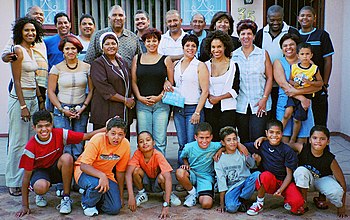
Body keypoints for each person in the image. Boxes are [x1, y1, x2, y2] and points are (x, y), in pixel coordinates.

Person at [15, 110, 104, 217]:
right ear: (34, 127)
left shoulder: (60, 134)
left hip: (56, 169)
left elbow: (86, 136)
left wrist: (107, 129)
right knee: (41, 187)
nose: (44, 129)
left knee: (67, 158)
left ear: (52, 125)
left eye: (47, 125)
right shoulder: (30, 147)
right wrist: (25, 205)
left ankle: (66, 198)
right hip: (40, 172)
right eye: (40, 126)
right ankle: (39, 194)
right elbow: (25, 178)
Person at [6, 17, 44, 197]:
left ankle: (25, 181)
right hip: (19, 100)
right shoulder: (18, 51)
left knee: (30, 142)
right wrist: (22, 106)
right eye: (27, 30)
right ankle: (12, 182)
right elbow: (17, 80)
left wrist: (39, 99)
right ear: (20, 32)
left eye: (33, 30)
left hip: (33, 100)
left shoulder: (31, 49)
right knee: (17, 142)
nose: (31, 33)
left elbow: (33, 78)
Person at [245, 120, 305, 216]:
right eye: (271, 132)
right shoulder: (261, 145)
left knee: (298, 205)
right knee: (264, 175)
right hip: (270, 181)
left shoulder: (287, 151)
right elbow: (242, 146)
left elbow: (289, 175)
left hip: (285, 182)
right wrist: (222, 149)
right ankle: (259, 203)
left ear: (282, 134)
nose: (274, 135)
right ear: (266, 133)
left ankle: (287, 201)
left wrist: (281, 189)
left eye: (278, 133)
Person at [47, 35, 93, 160]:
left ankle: (78, 177)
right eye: (67, 49)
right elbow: (50, 91)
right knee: (65, 147)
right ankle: (65, 177)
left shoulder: (87, 67)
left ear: (78, 50)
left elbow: (91, 90)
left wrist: (83, 107)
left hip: (80, 109)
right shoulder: (56, 68)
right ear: (63, 51)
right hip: (61, 109)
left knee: (79, 145)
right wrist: (62, 109)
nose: (70, 51)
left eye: (73, 48)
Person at [74, 117, 130, 217]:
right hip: (84, 172)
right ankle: (87, 203)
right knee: (96, 185)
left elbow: (120, 172)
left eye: (120, 134)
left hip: (107, 175)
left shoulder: (126, 145)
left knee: (114, 209)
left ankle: (92, 196)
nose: (116, 137)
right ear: (106, 133)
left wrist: (121, 196)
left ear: (124, 135)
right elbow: (83, 166)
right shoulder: (97, 139)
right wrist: (101, 176)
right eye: (113, 133)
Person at [131, 28, 174, 154]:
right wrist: (139, 97)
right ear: (144, 43)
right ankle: (145, 170)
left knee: (160, 140)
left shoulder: (166, 59)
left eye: (154, 40)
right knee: (144, 139)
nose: (151, 43)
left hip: (161, 104)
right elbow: (134, 81)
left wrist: (159, 97)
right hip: (142, 104)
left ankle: (160, 169)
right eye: (148, 40)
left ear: (159, 42)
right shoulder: (137, 58)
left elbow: (171, 83)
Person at [168, 34, 209, 165]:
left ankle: (192, 175)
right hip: (179, 108)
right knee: (181, 143)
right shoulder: (176, 64)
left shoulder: (200, 65)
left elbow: (205, 91)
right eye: (187, 45)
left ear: (196, 48)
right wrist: (166, 83)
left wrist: (197, 112)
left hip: (193, 108)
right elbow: (172, 83)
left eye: (193, 46)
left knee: (192, 143)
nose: (190, 48)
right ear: (183, 47)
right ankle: (182, 172)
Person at [274, 33, 321, 143]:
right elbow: (285, 86)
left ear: (297, 46)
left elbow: (317, 87)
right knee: (283, 139)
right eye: (285, 45)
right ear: (281, 49)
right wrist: (302, 97)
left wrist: (302, 98)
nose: (288, 47)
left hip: (304, 104)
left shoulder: (307, 63)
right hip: (285, 103)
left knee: (302, 140)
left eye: (292, 44)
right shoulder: (278, 62)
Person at [254, 5, 300, 119]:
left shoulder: (292, 31)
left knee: (287, 114)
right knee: (270, 113)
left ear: (283, 17)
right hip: (267, 83)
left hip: (287, 83)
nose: (275, 22)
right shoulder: (260, 33)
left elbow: (299, 55)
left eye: (279, 19)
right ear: (267, 18)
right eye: (272, 19)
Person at [231, 19, 273, 143]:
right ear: (238, 37)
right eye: (242, 34)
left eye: (249, 34)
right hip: (241, 104)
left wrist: (264, 98)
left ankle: (258, 162)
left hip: (260, 103)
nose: (246, 37)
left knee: (258, 137)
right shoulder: (234, 55)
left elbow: (270, 77)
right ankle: (246, 162)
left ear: (254, 36)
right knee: (243, 138)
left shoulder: (262, 54)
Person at [292, 125, 348, 218]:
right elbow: (284, 145)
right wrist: (266, 139)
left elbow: (342, 183)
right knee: (300, 171)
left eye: (322, 139)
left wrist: (341, 206)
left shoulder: (330, 158)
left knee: (337, 192)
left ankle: (321, 197)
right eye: (315, 138)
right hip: (307, 181)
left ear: (328, 141)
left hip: (321, 181)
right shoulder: (302, 148)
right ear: (309, 140)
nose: (318, 141)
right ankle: (303, 201)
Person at [126, 131, 181, 219]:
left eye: (148, 140)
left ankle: (167, 195)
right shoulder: (137, 154)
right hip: (146, 182)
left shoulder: (158, 155)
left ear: (154, 143)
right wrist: (131, 196)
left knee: (162, 176)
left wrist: (166, 205)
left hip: (158, 183)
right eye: (141, 141)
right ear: (138, 146)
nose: (145, 143)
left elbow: (168, 177)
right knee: (135, 171)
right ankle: (142, 194)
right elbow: (128, 174)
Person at [90, 32, 135, 139]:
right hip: (105, 110)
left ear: (118, 45)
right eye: (107, 44)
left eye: (113, 43)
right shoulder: (98, 63)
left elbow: (129, 80)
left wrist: (131, 96)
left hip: (122, 110)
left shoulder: (121, 62)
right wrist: (125, 100)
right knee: (105, 142)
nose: (111, 46)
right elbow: (105, 88)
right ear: (102, 47)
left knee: (122, 142)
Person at [2, 6, 48, 103]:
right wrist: (8, 57)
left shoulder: (39, 39)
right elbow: (5, 55)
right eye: (35, 13)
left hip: (39, 85)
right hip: (24, 85)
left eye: (41, 14)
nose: (39, 16)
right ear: (27, 16)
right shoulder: (19, 37)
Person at [298, 6, 334, 127]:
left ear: (314, 18)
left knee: (320, 120)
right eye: (302, 15)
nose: (305, 18)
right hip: (300, 86)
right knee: (300, 120)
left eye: (308, 15)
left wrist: (325, 83)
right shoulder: (295, 35)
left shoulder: (322, 35)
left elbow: (328, 60)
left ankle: (323, 146)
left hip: (318, 85)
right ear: (298, 18)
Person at [203, 30, 240, 141]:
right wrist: (210, 97)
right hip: (209, 108)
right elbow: (201, 86)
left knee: (227, 139)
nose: (216, 50)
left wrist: (218, 98)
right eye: (213, 47)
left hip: (228, 108)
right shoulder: (205, 65)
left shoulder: (233, 65)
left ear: (225, 47)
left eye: (219, 46)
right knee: (212, 140)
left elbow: (235, 90)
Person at [175, 122, 222, 209]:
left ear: (211, 137)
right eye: (201, 138)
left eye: (207, 137)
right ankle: (193, 194)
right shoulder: (189, 147)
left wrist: (220, 150)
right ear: (195, 137)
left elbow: (226, 144)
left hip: (206, 177)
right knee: (180, 172)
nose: (204, 141)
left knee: (206, 204)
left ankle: (202, 192)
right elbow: (184, 157)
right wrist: (186, 164)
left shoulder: (215, 146)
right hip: (192, 173)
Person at [215, 126, 260, 213]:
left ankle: (242, 199)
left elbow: (252, 166)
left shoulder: (241, 151)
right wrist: (221, 204)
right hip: (231, 188)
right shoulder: (219, 158)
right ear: (223, 143)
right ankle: (239, 202)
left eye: (234, 139)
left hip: (244, 182)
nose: (232, 142)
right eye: (228, 140)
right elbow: (221, 181)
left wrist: (248, 155)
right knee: (231, 208)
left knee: (257, 175)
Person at [84, 5, 140, 69]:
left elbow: (140, 62)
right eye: (114, 15)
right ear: (109, 18)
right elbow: (88, 62)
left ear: (125, 19)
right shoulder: (98, 36)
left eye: (120, 15)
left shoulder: (133, 38)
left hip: (128, 77)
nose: (118, 18)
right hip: (104, 78)